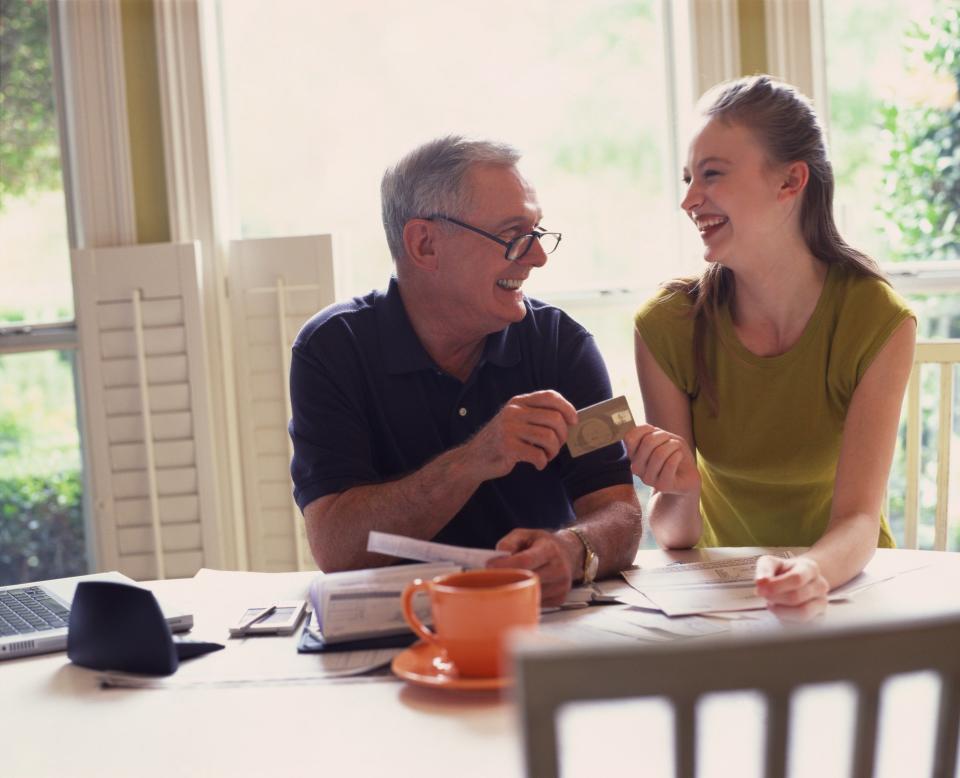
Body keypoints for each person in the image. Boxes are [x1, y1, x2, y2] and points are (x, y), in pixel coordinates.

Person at [289, 136, 642, 606]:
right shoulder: (330, 349)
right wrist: (474, 459)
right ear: (425, 244)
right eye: (514, 235)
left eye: (538, 233)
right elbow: (336, 547)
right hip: (395, 632)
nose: (538, 256)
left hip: (540, 620)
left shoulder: (566, 344)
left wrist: (575, 549)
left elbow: (621, 509)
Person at [625, 75, 916, 620]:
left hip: (843, 588)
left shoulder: (877, 319)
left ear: (790, 181)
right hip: (720, 602)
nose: (688, 199)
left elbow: (858, 520)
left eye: (711, 175)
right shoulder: (667, 325)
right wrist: (681, 487)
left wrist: (810, 573)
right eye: (688, 178)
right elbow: (673, 533)